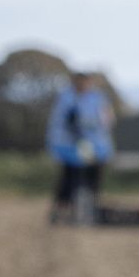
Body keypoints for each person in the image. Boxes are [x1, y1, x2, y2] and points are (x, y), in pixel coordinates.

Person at [49, 72, 115, 225]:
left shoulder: (98, 98)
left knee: (93, 181)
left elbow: (107, 120)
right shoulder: (66, 98)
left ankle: (89, 211)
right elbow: (60, 124)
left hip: (96, 148)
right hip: (70, 148)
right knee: (69, 180)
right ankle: (61, 212)